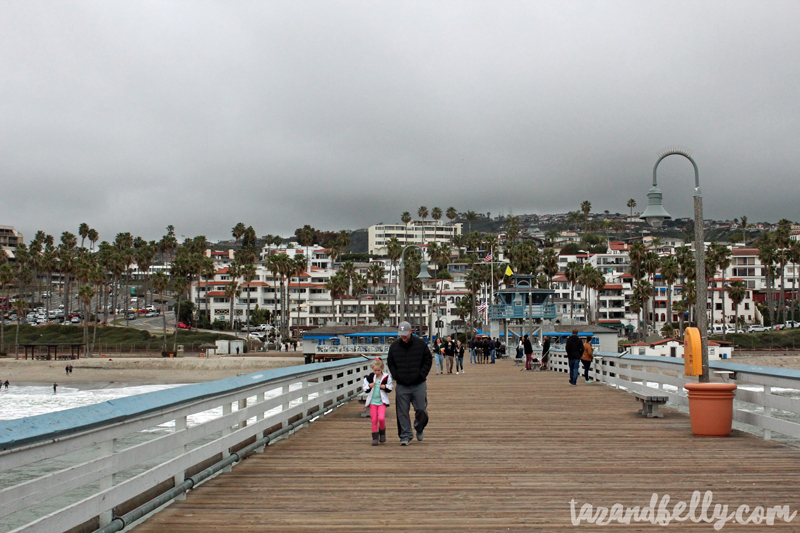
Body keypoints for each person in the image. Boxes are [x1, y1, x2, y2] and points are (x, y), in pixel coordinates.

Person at [387, 321, 432, 446]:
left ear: (411, 331)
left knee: (421, 409)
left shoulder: (421, 344)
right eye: (401, 334)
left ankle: (419, 426)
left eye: (405, 334)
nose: (403, 336)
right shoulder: (394, 346)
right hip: (402, 384)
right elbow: (390, 362)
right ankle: (405, 435)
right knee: (402, 412)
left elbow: (428, 360)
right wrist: (396, 375)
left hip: (419, 383)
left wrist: (422, 374)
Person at [363, 358, 393, 445]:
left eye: (378, 370)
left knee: (381, 418)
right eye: (375, 370)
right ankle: (375, 437)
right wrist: (369, 385)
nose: (376, 372)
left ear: (382, 368)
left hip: (381, 402)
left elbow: (390, 387)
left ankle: (382, 432)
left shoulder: (386, 377)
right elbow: (365, 387)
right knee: (374, 419)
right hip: (372, 402)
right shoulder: (370, 377)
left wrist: (384, 387)